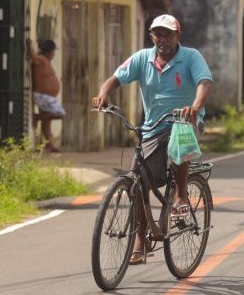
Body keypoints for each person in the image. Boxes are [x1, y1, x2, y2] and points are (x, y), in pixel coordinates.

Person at [91, 14, 214, 264]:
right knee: (140, 182)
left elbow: (204, 82)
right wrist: (103, 94)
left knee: (178, 134)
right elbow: (117, 77)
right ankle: (141, 240)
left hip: (186, 120)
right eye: (157, 34)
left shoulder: (191, 56)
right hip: (152, 126)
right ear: (151, 37)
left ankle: (180, 194)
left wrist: (195, 106)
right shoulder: (142, 58)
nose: (162, 39)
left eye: (168, 34)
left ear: (178, 36)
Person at [27, 38, 65, 152]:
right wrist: (30, 45)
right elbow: (33, 57)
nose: (54, 54)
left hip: (47, 98)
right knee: (60, 114)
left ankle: (49, 144)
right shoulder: (42, 59)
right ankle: (36, 117)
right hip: (43, 96)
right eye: (53, 52)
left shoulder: (45, 61)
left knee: (47, 121)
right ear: (49, 52)